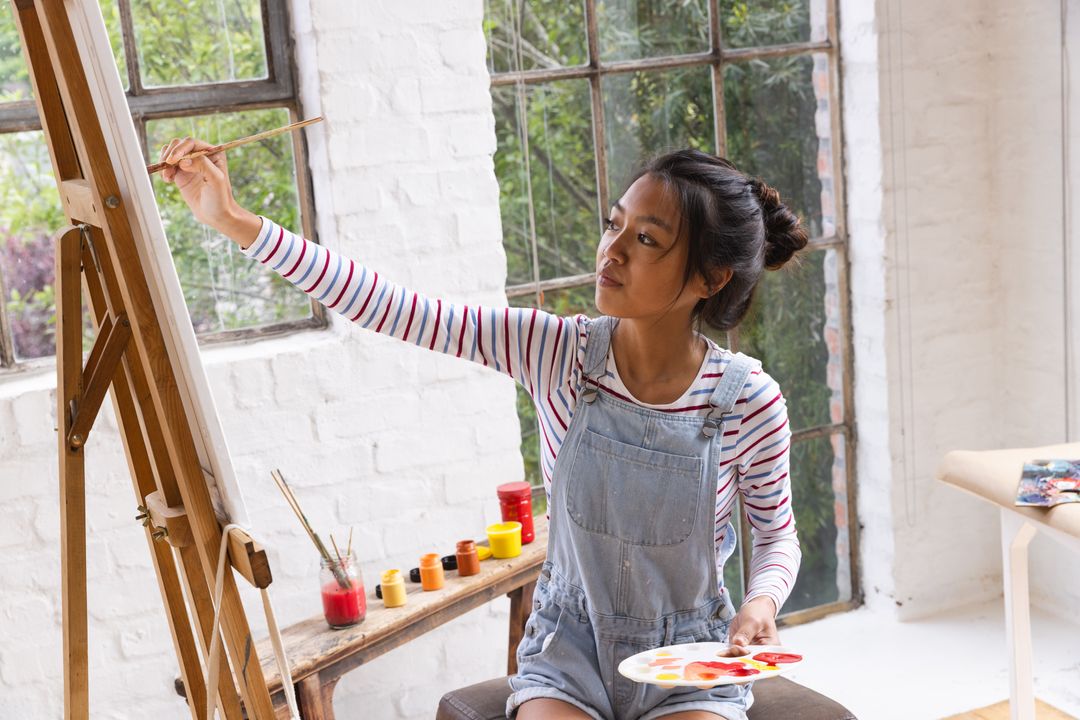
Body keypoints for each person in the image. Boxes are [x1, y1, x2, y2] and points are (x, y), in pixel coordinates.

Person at [159, 136, 806, 720]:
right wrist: (235, 222)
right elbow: (392, 308)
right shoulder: (557, 353)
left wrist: (760, 606)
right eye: (615, 225)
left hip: (688, 657)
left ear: (709, 278)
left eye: (646, 240)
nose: (611, 250)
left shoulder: (746, 401)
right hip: (568, 650)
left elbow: (777, 537)